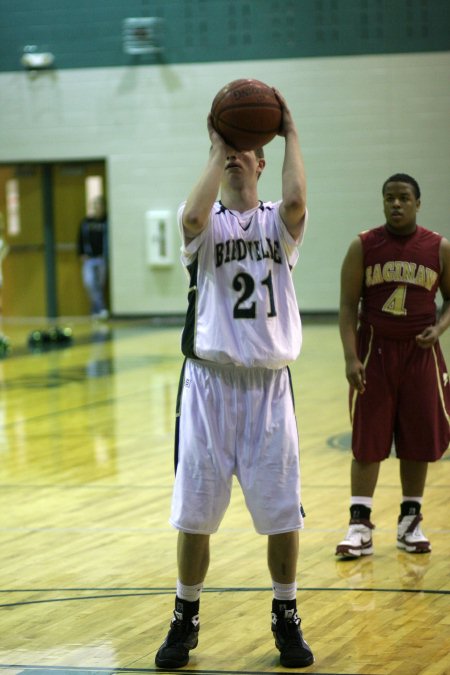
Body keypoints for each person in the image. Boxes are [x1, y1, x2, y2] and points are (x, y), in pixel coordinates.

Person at [155, 90, 314, 670]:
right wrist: (218, 145)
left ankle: (286, 615)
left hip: (269, 388)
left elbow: (298, 199)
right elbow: (193, 219)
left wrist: (289, 131)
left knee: (281, 512)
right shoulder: (203, 223)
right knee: (195, 514)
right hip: (208, 386)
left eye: (247, 150)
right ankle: (184, 617)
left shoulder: (277, 221)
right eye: (231, 149)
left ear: (262, 158)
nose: (236, 157)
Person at [336, 173, 450, 559]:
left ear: (418, 203)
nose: (396, 204)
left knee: (417, 440)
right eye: (389, 198)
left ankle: (410, 521)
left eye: (403, 198)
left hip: (420, 355)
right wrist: (351, 357)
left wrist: (439, 328)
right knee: (368, 441)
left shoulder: (438, 247)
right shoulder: (363, 245)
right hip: (375, 352)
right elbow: (348, 306)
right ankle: (359, 525)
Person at [77, 195, 109, 319]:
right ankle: (101, 308)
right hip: (89, 259)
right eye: (95, 205)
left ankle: (95, 310)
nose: (97, 208)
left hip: (102, 258)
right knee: (89, 283)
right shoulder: (86, 223)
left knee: (99, 285)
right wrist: (81, 253)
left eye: (100, 205)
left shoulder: (106, 222)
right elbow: (80, 239)